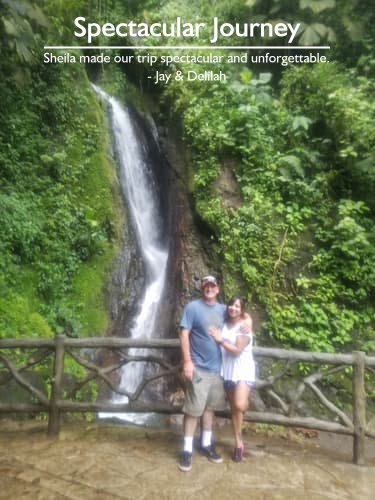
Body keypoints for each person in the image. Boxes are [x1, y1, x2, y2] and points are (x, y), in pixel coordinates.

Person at [178, 276, 251, 472]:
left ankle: (206, 444)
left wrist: (249, 321)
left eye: (212, 286)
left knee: (210, 409)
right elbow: (184, 334)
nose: (209, 289)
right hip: (199, 368)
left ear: (218, 289)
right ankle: (186, 450)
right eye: (206, 286)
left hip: (218, 370)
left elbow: (240, 315)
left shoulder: (223, 310)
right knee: (193, 410)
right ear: (202, 288)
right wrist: (187, 361)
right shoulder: (192, 308)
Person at [209, 296, 255, 462]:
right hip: (228, 370)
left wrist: (220, 340)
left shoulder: (244, 327)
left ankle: (246, 404)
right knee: (234, 409)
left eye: (237, 306)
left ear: (242, 310)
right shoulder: (224, 321)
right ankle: (238, 443)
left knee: (239, 404)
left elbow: (236, 350)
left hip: (243, 369)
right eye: (231, 305)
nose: (233, 308)